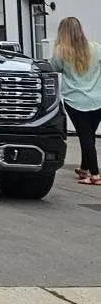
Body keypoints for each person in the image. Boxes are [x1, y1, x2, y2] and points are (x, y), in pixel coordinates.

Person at [51, 16, 101, 185]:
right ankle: (84, 168)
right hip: (98, 99)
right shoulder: (96, 48)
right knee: (90, 135)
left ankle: (95, 174)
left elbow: (54, 68)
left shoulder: (61, 52)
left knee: (85, 136)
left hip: (75, 100)